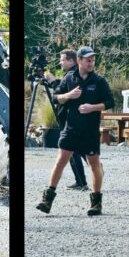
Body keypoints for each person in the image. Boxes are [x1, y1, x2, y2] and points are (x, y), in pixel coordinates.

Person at [36, 46, 115, 216]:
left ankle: (96, 203)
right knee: (60, 162)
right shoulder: (69, 78)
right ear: (79, 60)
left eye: (93, 60)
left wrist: (92, 107)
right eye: (88, 60)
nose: (91, 62)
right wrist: (69, 95)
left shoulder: (99, 81)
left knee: (94, 165)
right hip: (70, 129)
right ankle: (47, 200)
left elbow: (110, 102)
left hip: (90, 131)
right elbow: (56, 98)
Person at [44, 49, 89, 191]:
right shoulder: (73, 74)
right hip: (76, 119)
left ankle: (81, 182)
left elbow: (60, 95)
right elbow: (64, 89)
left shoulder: (72, 75)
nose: (60, 62)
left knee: (71, 150)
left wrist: (51, 82)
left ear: (71, 60)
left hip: (70, 119)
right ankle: (93, 171)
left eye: (62, 59)